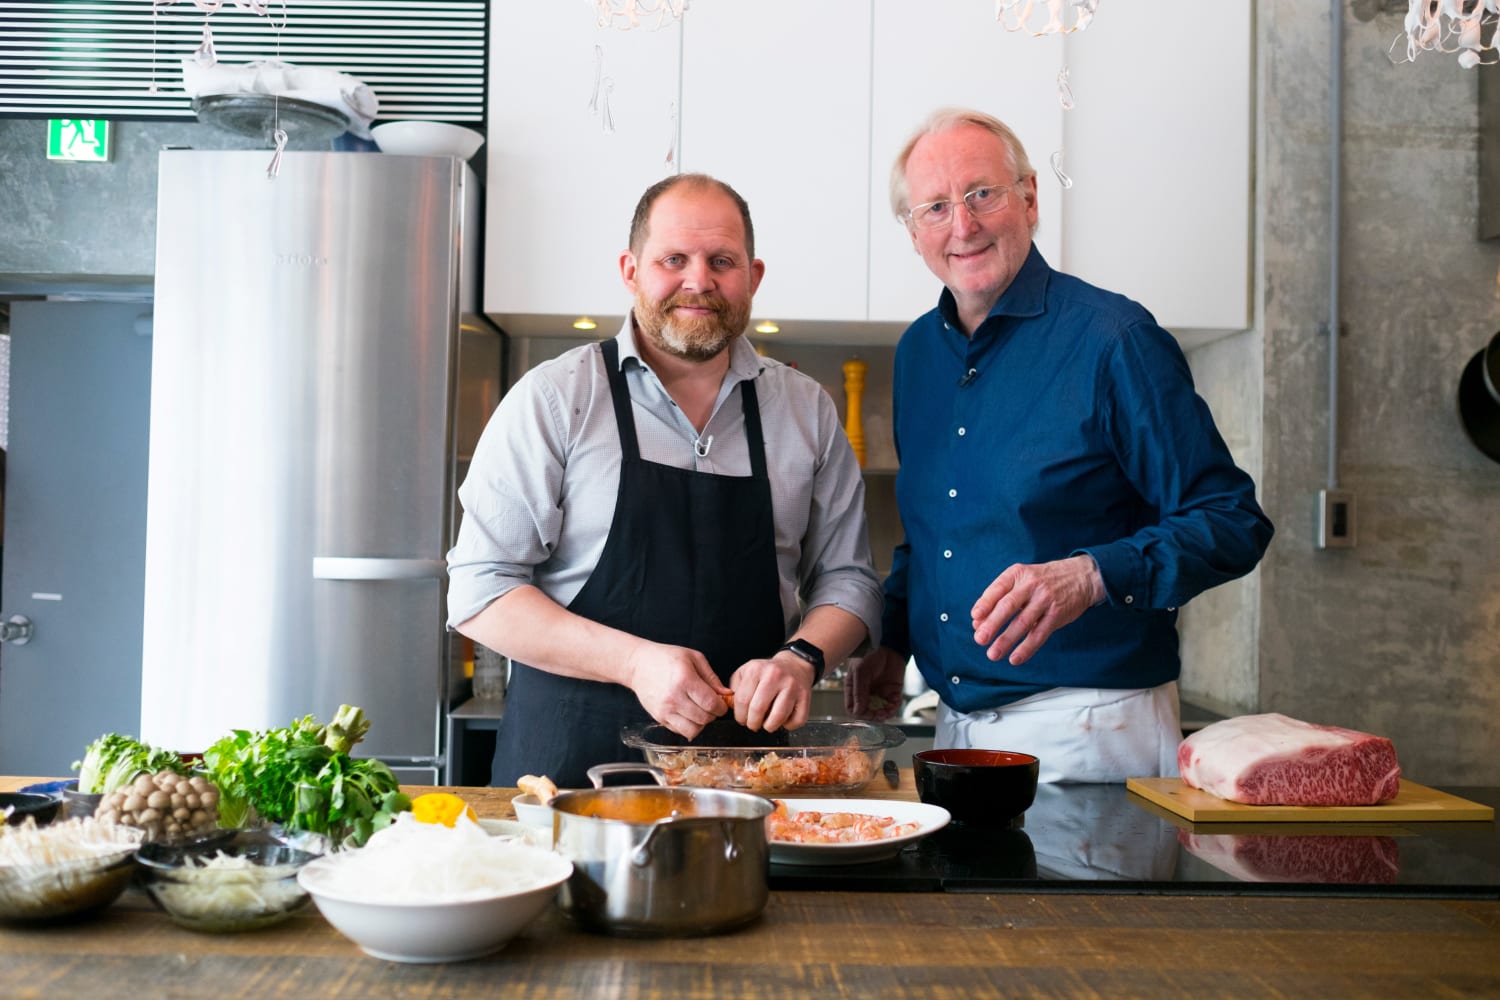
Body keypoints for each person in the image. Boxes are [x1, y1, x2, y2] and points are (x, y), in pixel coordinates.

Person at [845, 108, 1274, 783]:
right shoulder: (918, 354)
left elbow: (1231, 520)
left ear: (1030, 197)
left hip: (1091, 724)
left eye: (982, 193)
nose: (963, 225)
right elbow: (931, 535)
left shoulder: (1115, 339)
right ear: (913, 231)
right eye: (936, 207)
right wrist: (893, 640)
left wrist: (1092, 575)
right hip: (954, 725)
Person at [447, 173, 882, 789]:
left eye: (722, 261)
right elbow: (480, 591)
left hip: (744, 785)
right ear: (631, 271)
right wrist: (633, 663)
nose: (698, 281)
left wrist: (802, 658)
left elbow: (850, 579)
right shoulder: (555, 398)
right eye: (673, 259)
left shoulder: (806, 410)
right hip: (568, 784)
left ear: (753, 276)